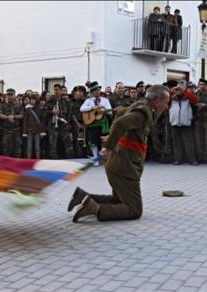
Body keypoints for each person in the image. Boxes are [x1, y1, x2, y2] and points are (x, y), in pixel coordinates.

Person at [69, 85, 170, 223]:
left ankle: (83, 197)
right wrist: (109, 147)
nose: (166, 106)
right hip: (124, 166)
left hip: (120, 163)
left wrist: (112, 137)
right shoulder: (142, 114)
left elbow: (120, 113)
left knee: (119, 200)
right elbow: (121, 123)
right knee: (134, 209)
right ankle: (95, 209)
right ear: (157, 101)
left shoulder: (140, 106)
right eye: (166, 102)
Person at [80, 81, 112, 167]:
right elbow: (82, 109)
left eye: (98, 89)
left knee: (104, 141)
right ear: (92, 92)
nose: (97, 91)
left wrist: (103, 110)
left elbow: (110, 111)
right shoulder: (88, 100)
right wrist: (92, 107)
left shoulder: (105, 100)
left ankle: (104, 158)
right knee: (93, 141)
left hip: (103, 124)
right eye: (94, 90)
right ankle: (95, 157)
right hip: (93, 123)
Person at [169, 80, 198, 165]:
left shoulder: (188, 96)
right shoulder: (172, 96)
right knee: (176, 142)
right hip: (174, 122)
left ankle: (192, 160)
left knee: (188, 142)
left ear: (185, 87)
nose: (179, 88)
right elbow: (166, 101)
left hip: (186, 122)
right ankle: (178, 159)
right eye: (178, 86)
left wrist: (185, 92)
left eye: (182, 86)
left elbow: (195, 100)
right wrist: (172, 92)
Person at [46, 84, 74, 159]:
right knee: (53, 145)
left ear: (61, 91)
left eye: (57, 89)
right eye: (54, 90)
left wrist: (67, 122)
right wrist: (52, 111)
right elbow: (44, 112)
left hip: (64, 125)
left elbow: (70, 113)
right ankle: (54, 161)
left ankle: (70, 159)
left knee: (68, 144)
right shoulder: (50, 101)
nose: (55, 91)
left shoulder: (66, 101)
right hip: (53, 126)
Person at [0, 88, 24, 158]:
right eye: (8, 95)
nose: (10, 97)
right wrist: (8, 117)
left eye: (11, 95)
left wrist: (14, 117)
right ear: (6, 96)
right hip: (6, 130)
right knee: (6, 148)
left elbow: (22, 115)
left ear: (14, 95)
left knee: (17, 148)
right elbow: (0, 115)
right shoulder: (3, 105)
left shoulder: (19, 105)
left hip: (16, 130)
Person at [23, 94, 46, 159]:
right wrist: (24, 132)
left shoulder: (40, 109)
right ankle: (28, 160)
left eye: (34, 99)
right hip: (29, 130)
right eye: (31, 99)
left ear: (36, 100)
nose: (32, 101)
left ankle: (37, 160)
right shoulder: (27, 109)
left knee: (37, 147)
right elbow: (25, 121)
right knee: (29, 147)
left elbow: (42, 121)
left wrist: (42, 131)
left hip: (38, 131)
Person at [70, 86, 88, 158]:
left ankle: (85, 154)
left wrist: (85, 123)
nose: (79, 93)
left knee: (86, 140)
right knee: (77, 140)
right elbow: (72, 114)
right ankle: (78, 156)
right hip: (76, 124)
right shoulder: (72, 101)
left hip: (86, 123)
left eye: (81, 92)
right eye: (78, 91)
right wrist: (78, 124)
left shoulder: (86, 101)